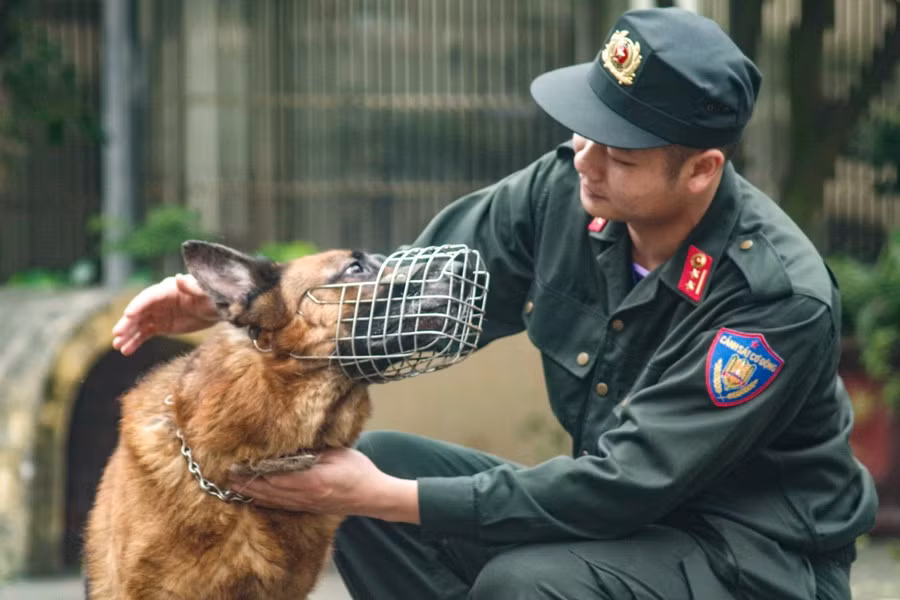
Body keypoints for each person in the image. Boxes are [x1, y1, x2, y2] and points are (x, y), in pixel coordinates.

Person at [111, 7, 876, 599]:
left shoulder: (772, 302)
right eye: (586, 130)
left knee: (523, 579)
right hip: (622, 526)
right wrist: (245, 308)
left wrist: (399, 499)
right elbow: (406, 296)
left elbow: (626, 484)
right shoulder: (565, 196)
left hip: (745, 559)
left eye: (620, 151)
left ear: (702, 171)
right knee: (371, 473)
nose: (586, 157)